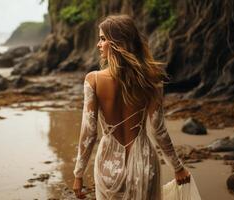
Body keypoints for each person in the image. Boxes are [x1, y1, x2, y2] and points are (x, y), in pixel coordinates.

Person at [73, 14, 191, 199]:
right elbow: (158, 130)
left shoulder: (93, 80)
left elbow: (89, 132)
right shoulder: (152, 79)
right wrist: (177, 167)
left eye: (103, 39)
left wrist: (78, 174)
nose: (98, 44)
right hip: (143, 162)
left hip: (108, 165)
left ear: (117, 43)